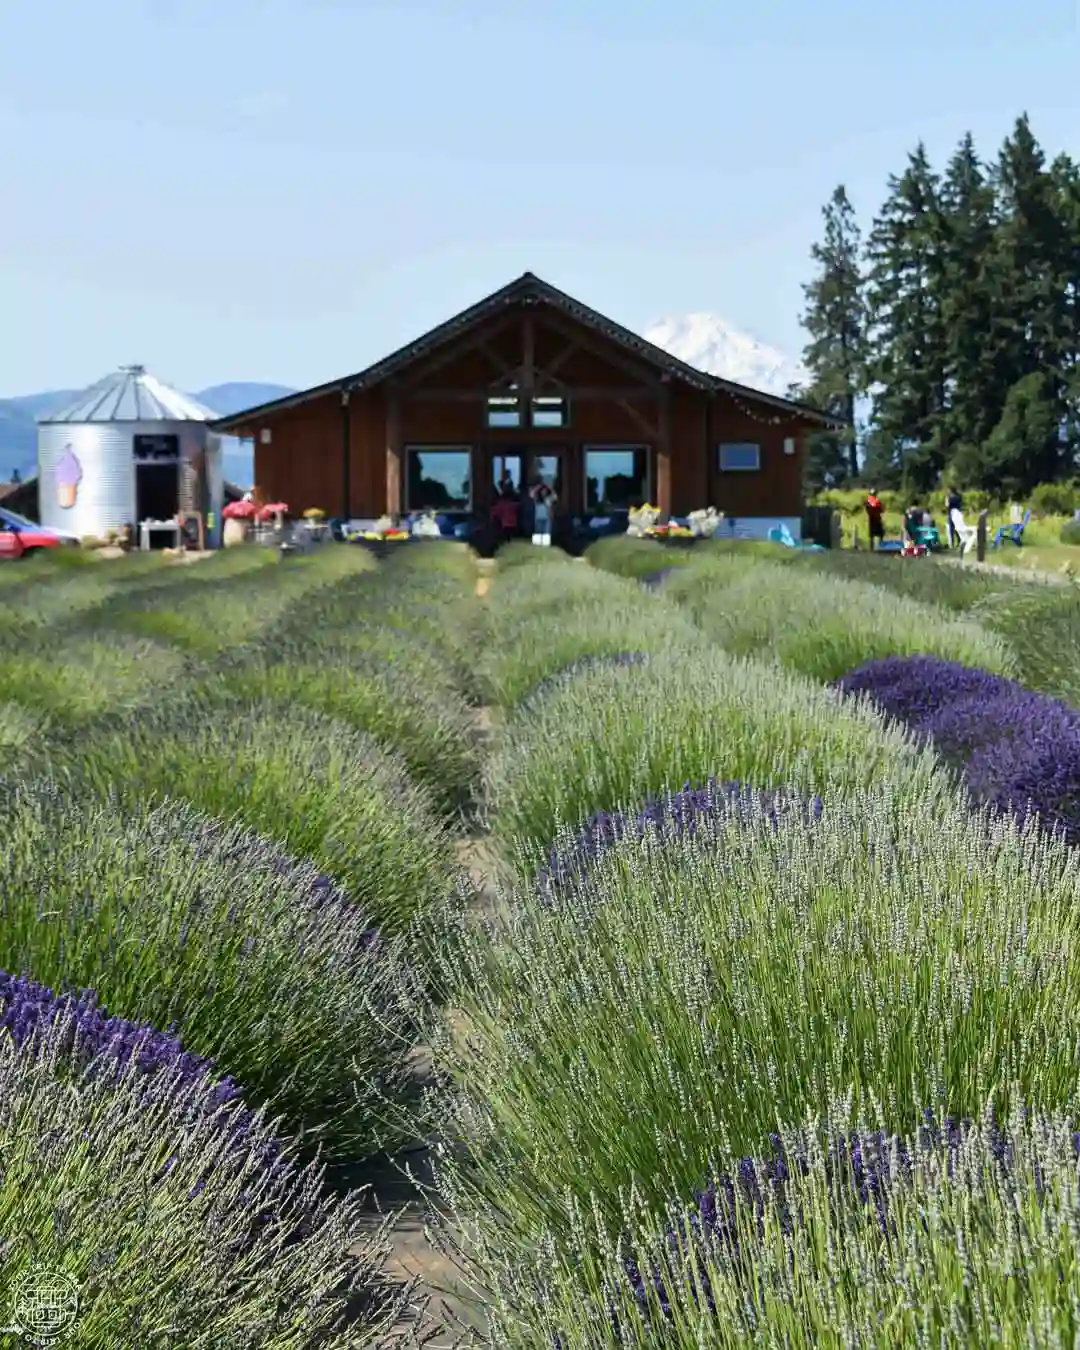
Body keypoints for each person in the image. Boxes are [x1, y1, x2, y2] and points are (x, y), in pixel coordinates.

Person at [530, 476, 556, 546]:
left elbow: (555, 496)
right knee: (538, 533)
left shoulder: (548, 499)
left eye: (545, 491)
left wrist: (549, 487)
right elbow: (532, 494)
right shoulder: (537, 500)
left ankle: (546, 547)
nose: (543, 492)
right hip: (538, 518)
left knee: (546, 535)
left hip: (547, 518)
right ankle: (536, 546)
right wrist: (539, 486)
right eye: (542, 491)